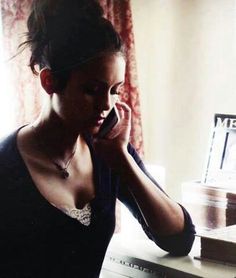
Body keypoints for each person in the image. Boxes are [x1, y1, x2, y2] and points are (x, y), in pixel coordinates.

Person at [0, 0, 195, 277]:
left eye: (115, 90)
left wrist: (123, 162)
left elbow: (179, 238)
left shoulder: (109, 152)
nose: (106, 105)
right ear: (49, 82)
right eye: (92, 90)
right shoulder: (6, 167)